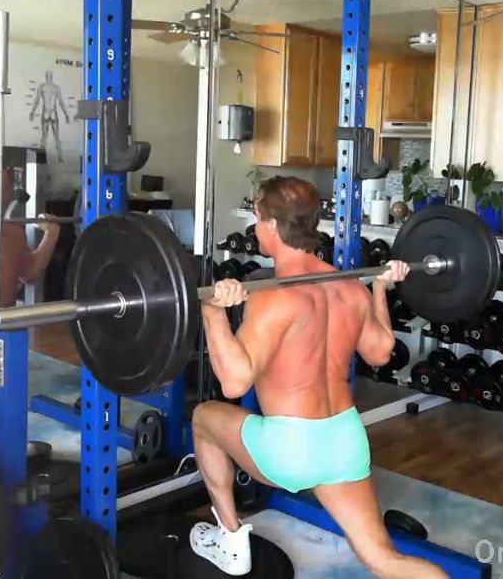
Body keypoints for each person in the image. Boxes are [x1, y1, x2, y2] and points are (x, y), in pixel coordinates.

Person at [191, 176, 446, 578]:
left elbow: (235, 382)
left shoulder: (273, 295)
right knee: (384, 559)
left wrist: (213, 312)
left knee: (203, 417)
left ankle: (231, 541)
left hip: (289, 449)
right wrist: (380, 288)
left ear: (271, 226)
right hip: (344, 441)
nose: (255, 228)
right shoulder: (349, 286)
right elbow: (380, 352)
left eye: (258, 219)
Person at [0, 167, 60, 331]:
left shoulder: (13, 234)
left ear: (8, 194)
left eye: (3, 187)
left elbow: (31, 273)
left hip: (2, 330)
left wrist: (52, 232)